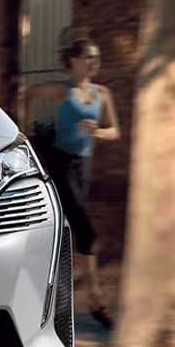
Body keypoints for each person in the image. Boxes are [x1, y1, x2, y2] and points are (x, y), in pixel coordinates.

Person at [42, 34, 121, 331]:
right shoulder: (60, 90)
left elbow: (114, 131)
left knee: (68, 234)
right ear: (74, 60)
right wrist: (23, 127)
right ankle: (95, 301)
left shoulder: (103, 93)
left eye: (96, 57)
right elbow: (28, 94)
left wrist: (97, 131)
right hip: (60, 163)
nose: (93, 61)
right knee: (87, 234)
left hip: (82, 167)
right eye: (88, 56)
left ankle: (61, 303)